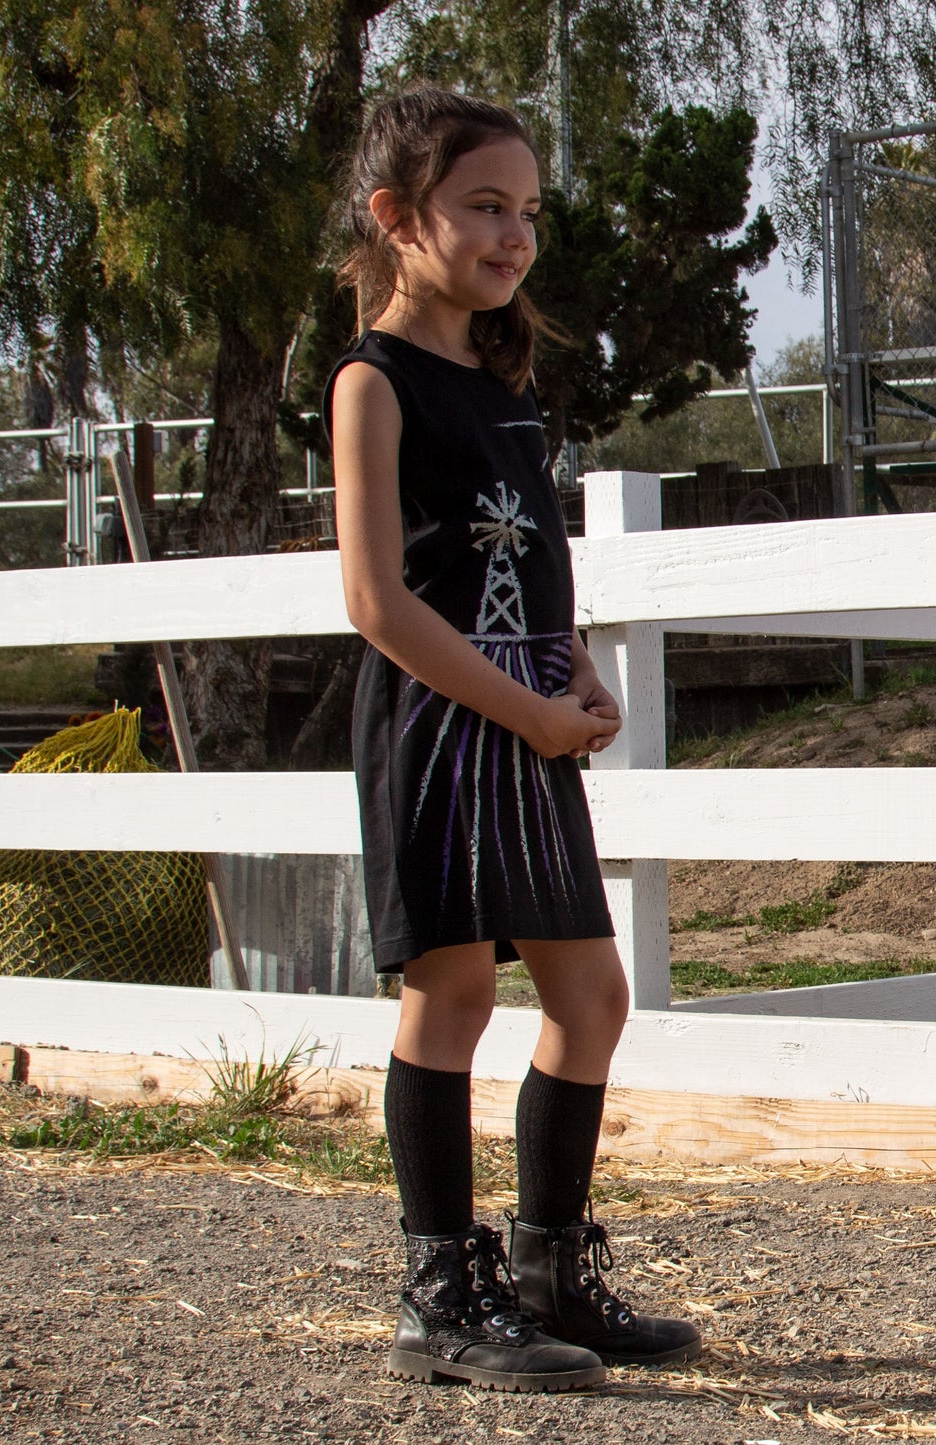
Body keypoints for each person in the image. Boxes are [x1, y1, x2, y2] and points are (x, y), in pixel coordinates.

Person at [325, 87, 702, 1393]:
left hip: (531, 721)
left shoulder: (504, 383)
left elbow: (530, 555)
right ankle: (440, 1293)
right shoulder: (372, 385)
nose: (514, 236)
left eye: (527, 211)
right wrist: (525, 706)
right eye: (484, 206)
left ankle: (549, 1274)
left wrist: (572, 663)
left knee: (591, 1000)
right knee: (455, 996)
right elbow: (376, 601)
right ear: (398, 216)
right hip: (440, 730)